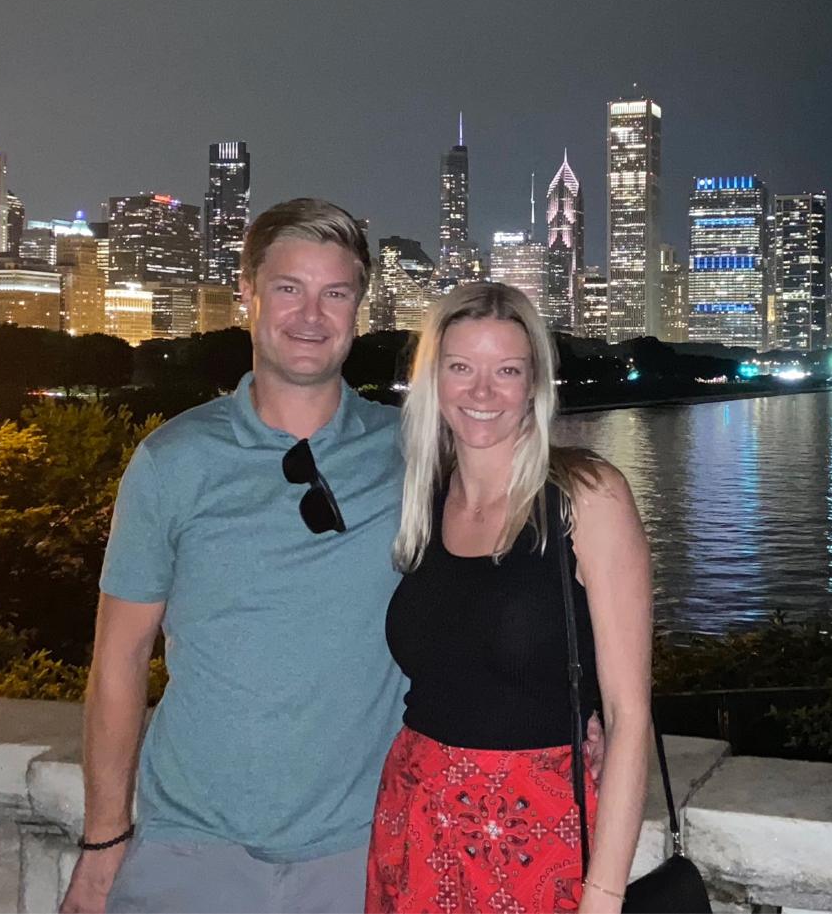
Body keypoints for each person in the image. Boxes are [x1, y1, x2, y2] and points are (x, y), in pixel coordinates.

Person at [61, 198, 406, 914]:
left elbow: (509, 576)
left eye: (335, 292)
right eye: (289, 288)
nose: (311, 314)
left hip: (363, 851)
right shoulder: (171, 461)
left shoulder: (416, 451)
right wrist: (102, 843)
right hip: (191, 853)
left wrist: (575, 708)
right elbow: (118, 661)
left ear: (359, 307)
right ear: (247, 292)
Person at [368, 282, 652, 914]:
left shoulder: (586, 495)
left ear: (534, 385)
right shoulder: (425, 498)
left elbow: (630, 716)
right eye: (461, 368)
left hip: (538, 829)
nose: (482, 391)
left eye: (507, 371)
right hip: (416, 817)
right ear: (434, 379)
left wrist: (602, 897)